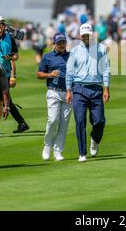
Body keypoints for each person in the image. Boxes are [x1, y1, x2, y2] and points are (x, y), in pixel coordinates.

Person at [66, 23, 110, 162]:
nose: (85, 37)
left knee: (99, 121)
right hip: (79, 89)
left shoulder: (101, 49)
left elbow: (106, 69)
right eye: (83, 35)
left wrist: (106, 87)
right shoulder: (74, 51)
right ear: (80, 35)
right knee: (80, 121)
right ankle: (82, 153)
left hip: (96, 88)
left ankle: (95, 139)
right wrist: (68, 90)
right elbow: (69, 72)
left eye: (88, 35)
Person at [37, 33, 71, 162]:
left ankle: (58, 151)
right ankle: (47, 146)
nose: (61, 45)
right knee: (52, 120)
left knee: (64, 124)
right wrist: (50, 74)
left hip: (68, 92)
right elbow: (39, 74)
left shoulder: (71, 56)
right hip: (53, 92)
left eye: (63, 42)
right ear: (54, 43)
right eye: (59, 42)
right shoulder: (47, 57)